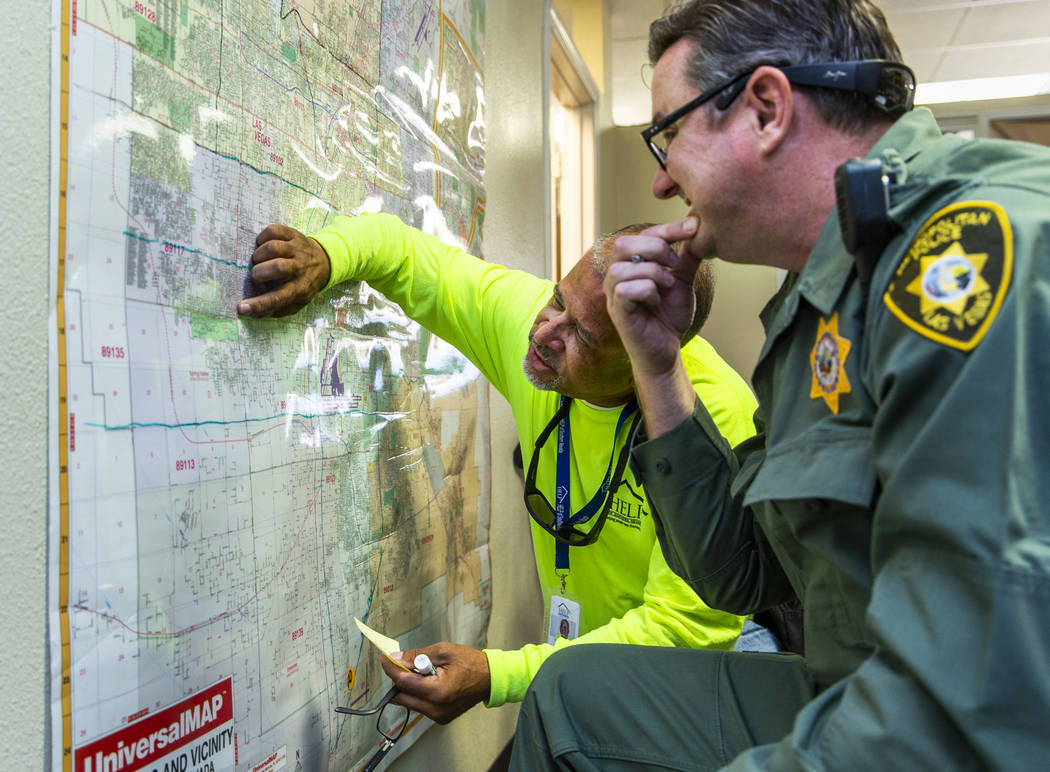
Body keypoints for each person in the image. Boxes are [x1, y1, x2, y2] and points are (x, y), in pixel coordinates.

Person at [509, 0, 1050, 770]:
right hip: (861, 681)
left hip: (962, 721)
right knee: (572, 692)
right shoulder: (822, 290)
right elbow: (742, 571)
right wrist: (657, 370)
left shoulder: (967, 255)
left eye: (667, 138)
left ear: (765, 109)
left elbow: (967, 704)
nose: (660, 187)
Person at [237, 211, 759, 724]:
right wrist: (327, 255)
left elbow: (686, 630)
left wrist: (496, 675)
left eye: (583, 337)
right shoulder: (538, 322)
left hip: (701, 678)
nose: (545, 334)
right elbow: (410, 258)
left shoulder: (714, 423)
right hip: (592, 662)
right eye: (558, 299)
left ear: (645, 357)